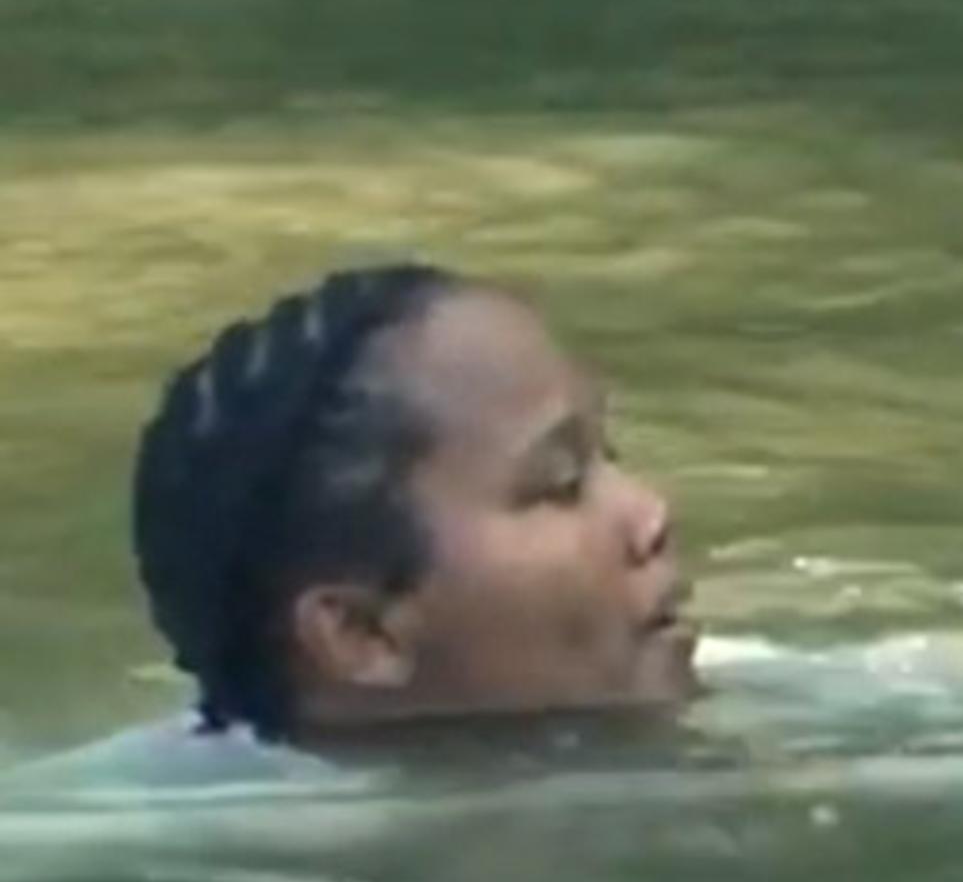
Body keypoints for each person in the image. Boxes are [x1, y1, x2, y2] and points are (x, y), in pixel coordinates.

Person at [48, 262, 701, 784]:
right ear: (362, 633)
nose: (651, 513)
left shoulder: (767, 694)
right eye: (560, 486)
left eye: (608, 455)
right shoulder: (139, 835)